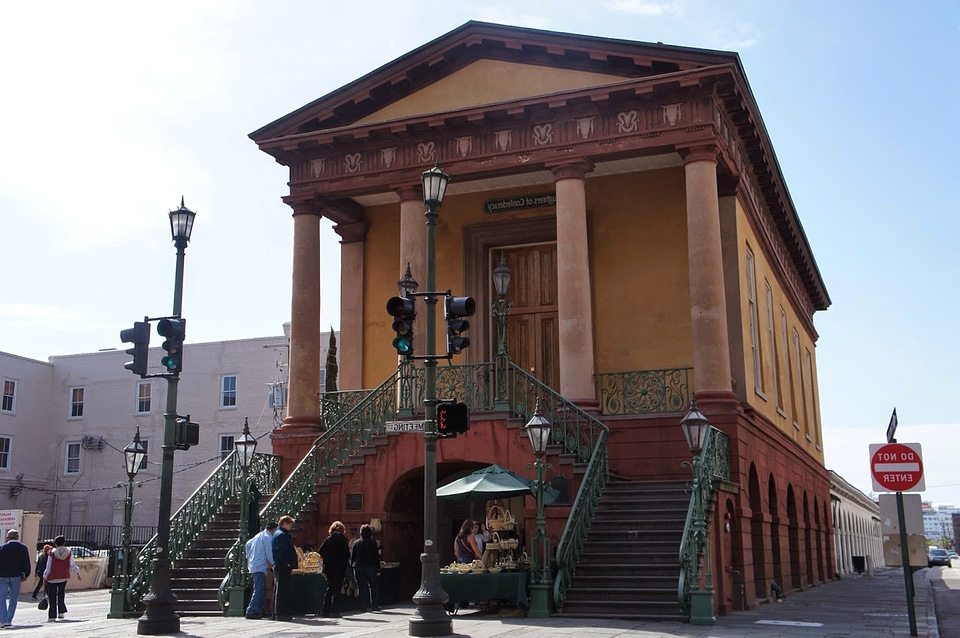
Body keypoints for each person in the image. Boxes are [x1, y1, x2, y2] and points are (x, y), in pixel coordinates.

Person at [42, 535, 81, 622]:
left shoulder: (52, 553)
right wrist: (77, 572)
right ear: (64, 543)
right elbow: (72, 565)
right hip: (63, 576)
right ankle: (61, 612)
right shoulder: (68, 552)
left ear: (55, 544)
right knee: (61, 593)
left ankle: (52, 616)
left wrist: (45, 576)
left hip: (52, 577)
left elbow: (48, 567)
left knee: (52, 596)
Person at [244, 521, 276, 619]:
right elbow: (269, 553)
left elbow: (247, 545)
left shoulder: (259, 535)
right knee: (259, 588)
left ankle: (258, 609)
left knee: (260, 588)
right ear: (273, 529)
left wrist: (249, 556)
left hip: (254, 564)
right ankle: (252, 610)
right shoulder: (268, 538)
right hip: (260, 565)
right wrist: (273, 563)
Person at [318, 520, 350, 618]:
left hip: (329, 567)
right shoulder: (343, 540)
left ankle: (324, 610)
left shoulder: (328, 539)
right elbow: (346, 554)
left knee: (329, 588)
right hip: (339, 567)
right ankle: (334, 610)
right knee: (337, 589)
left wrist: (328, 558)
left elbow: (320, 551)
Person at [0, 529, 31, 629]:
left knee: (2, 598)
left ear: (7, 537)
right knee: (13, 598)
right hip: (16, 576)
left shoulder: (2, 548)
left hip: (2, 576)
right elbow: (26, 563)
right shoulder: (23, 548)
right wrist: (26, 575)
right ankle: (9, 619)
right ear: (17, 537)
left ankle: (3, 620)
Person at [271, 516, 298, 620]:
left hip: (279, 565)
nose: (291, 527)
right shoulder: (281, 535)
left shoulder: (277, 534)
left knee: (279, 588)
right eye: (290, 524)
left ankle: (276, 612)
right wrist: (287, 563)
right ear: (285, 524)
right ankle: (280, 613)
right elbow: (282, 551)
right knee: (282, 589)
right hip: (282, 565)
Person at [350, 523, 380, 612]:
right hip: (370, 566)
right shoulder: (372, 542)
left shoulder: (356, 542)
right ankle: (374, 605)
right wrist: (378, 568)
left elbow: (353, 556)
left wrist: (352, 565)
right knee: (373, 586)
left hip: (358, 566)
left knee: (361, 587)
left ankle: (363, 606)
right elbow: (375, 556)